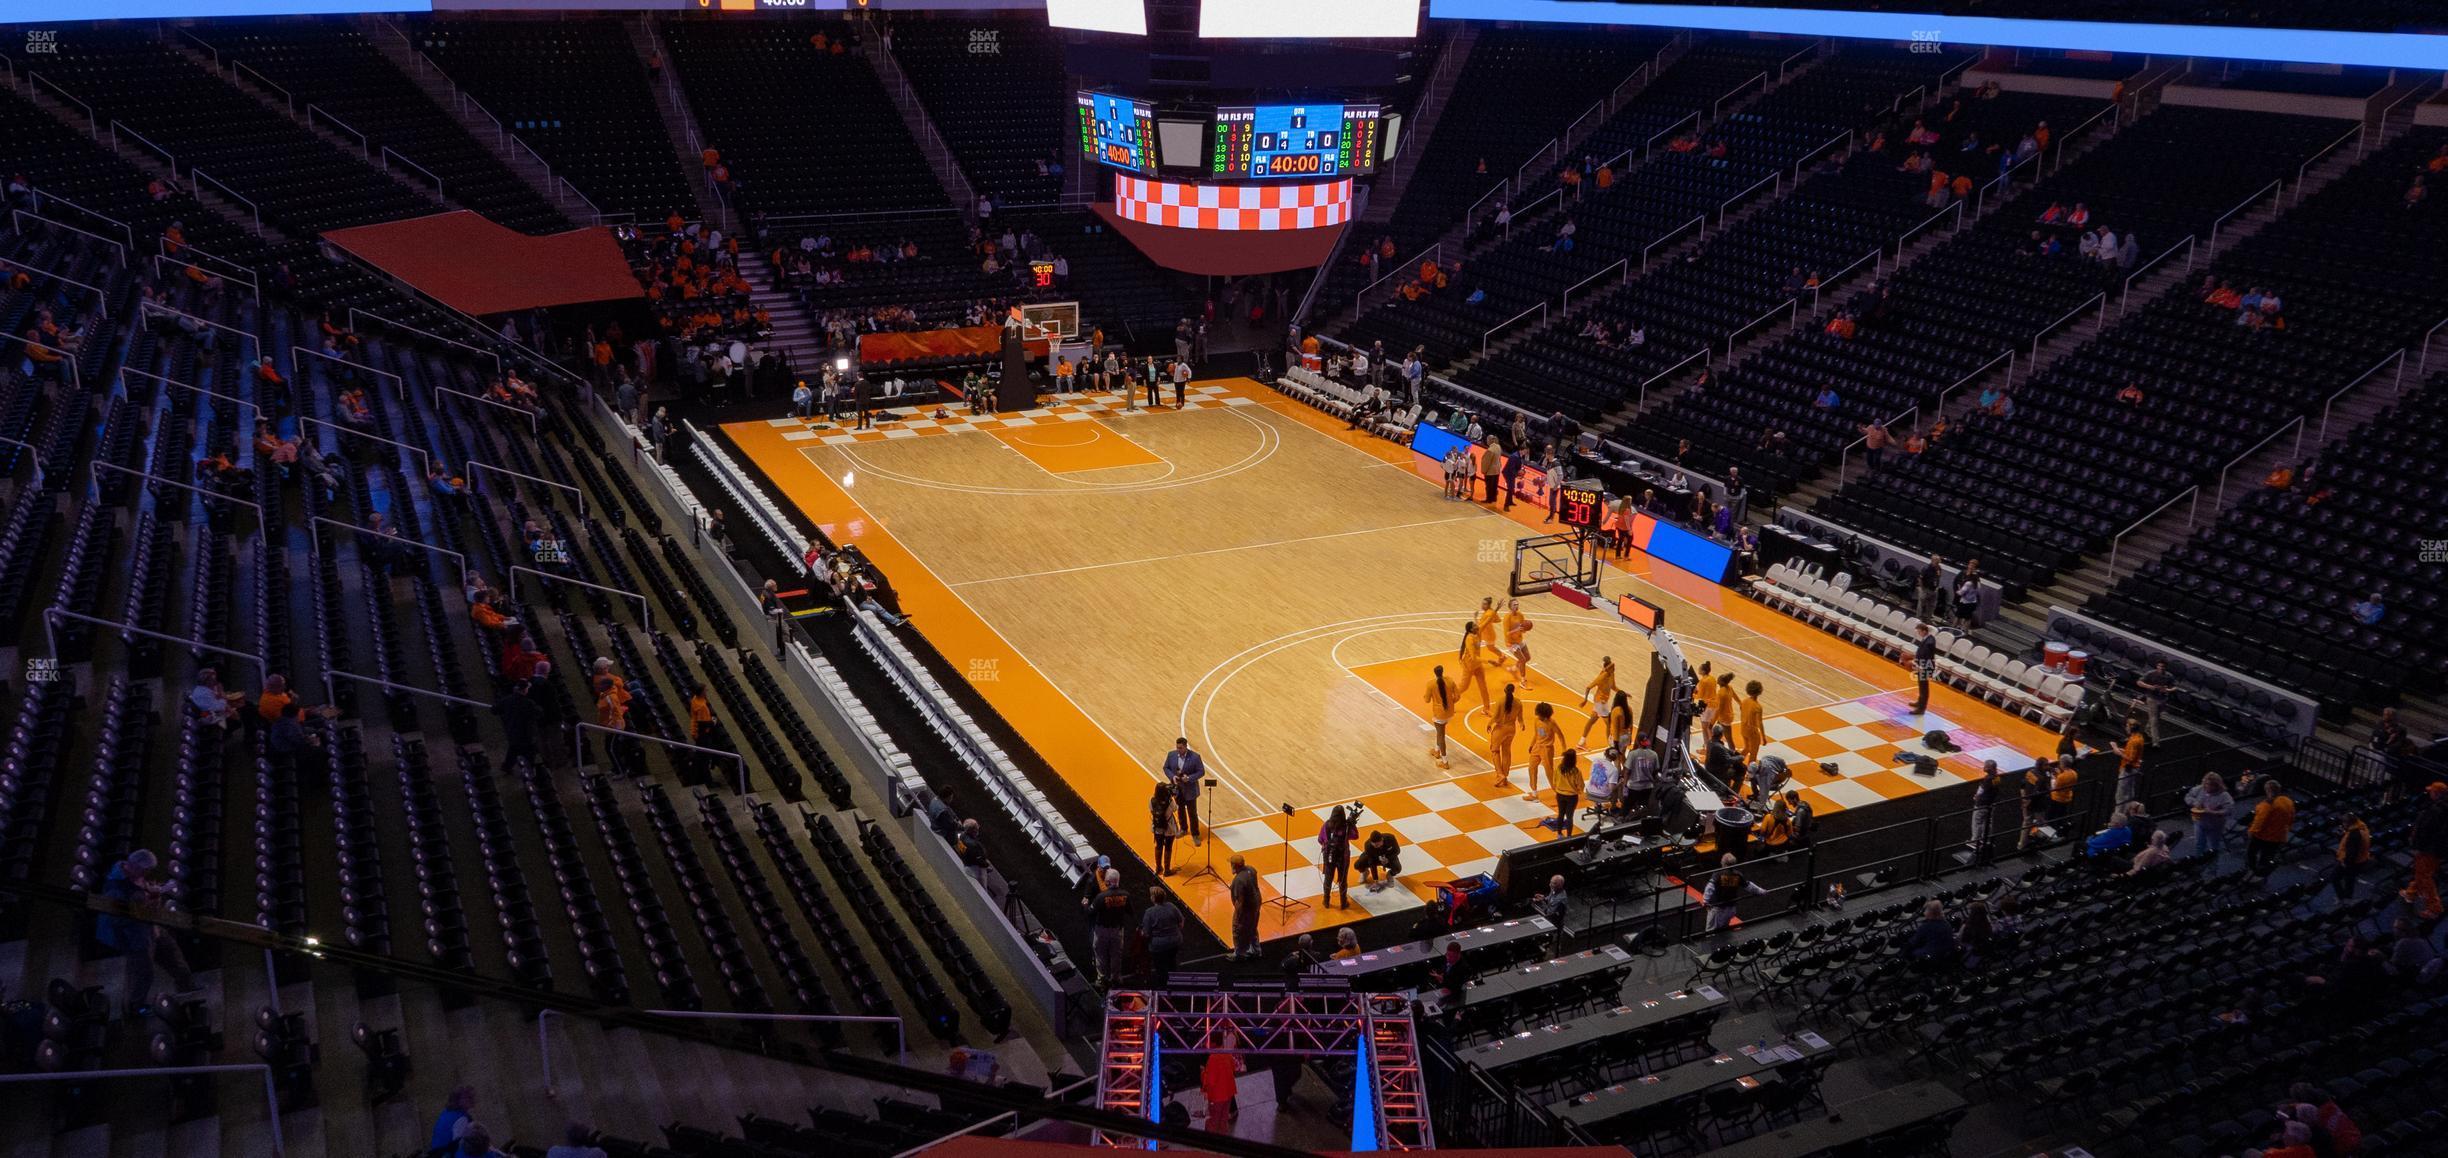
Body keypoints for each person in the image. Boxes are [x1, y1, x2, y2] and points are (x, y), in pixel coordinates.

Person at [99, 849, 194, 1019]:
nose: (147, 874)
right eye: (145, 870)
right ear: (134, 866)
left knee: (173, 955)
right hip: (136, 938)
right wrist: (145, 907)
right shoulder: (115, 888)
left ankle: (187, 989)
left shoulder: (136, 876)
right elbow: (116, 920)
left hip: (152, 928)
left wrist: (152, 896)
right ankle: (135, 1008)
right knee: (144, 974)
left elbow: (143, 899)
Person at [2401, 781, 2447, 919]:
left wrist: (2418, 847)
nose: (2429, 793)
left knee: (2425, 877)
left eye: (2431, 791)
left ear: (2436, 793)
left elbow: (2425, 830)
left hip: (2429, 849)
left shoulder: (2436, 810)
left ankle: (2434, 908)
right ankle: (2410, 892)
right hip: (2438, 848)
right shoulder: (2443, 808)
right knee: (2422, 872)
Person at [1088, 868, 1132, 988]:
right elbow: (1130, 911)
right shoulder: (1125, 895)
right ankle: (1116, 977)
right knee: (1116, 954)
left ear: (1107, 882)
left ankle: (1102, 978)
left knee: (1100, 954)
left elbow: (1090, 911)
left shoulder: (1101, 897)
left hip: (1102, 929)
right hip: (1117, 930)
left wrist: (1086, 905)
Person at [2246, 777, 2295, 878]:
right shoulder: (2287, 801)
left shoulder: (2266, 805)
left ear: (2267, 790)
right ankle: (2262, 876)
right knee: (2267, 857)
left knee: (2251, 853)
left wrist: (2251, 831)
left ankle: (2252, 872)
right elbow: (2291, 817)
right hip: (2278, 836)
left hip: (2262, 836)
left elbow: (2259, 822)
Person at [1702, 854, 1765, 932]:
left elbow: (1709, 888)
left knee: (1710, 931)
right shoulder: (1737, 874)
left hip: (1717, 908)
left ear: (1722, 862)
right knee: (1724, 928)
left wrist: (1705, 901)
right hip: (1730, 908)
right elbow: (1749, 886)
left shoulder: (1718, 874)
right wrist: (1761, 891)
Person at [2186, 771, 2236, 858]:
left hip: (2214, 826)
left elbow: (2229, 810)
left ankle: (2212, 868)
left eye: (2210, 785)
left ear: (2217, 785)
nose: (2207, 786)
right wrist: (2195, 803)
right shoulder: (2200, 789)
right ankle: (2199, 863)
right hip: (2199, 823)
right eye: (2206, 784)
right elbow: (2188, 796)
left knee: (2213, 848)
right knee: (2199, 845)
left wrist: (2213, 812)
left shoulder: (2224, 795)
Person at [1163, 738, 1204, 844]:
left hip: (1190, 790)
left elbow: (1201, 772)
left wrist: (1189, 778)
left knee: (1192, 813)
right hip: (1177, 789)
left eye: (1180, 748)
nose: (1178, 750)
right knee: (1180, 810)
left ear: (1186, 746)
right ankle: (1183, 829)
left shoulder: (1195, 757)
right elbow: (1166, 768)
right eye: (1177, 747)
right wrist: (1172, 777)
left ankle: (1195, 834)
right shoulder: (1171, 755)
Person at [1318, 805, 1356, 909]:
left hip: (1329, 856)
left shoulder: (1326, 825)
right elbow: (1355, 836)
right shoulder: (1346, 827)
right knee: (1343, 880)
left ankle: (1326, 901)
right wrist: (1352, 824)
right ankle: (1343, 903)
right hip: (1343, 857)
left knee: (1328, 878)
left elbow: (1320, 839)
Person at [1903, 900, 1957, 969]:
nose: (1924, 912)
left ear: (1930, 913)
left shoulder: (1926, 926)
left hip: (1933, 954)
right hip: (1948, 951)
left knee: (1907, 949)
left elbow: (1914, 941)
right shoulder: (1946, 923)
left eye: (1926, 910)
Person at [2329, 812, 2372, 902]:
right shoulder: (2362, 827)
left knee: (2334, 878)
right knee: (2349, 880)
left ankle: (2341, 898)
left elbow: (2352, 852)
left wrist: (2345, 863)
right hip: (2361, 860)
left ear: (2347, 823)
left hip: (2351, 862)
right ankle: (2347, 898)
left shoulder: (2354, 835)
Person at [1227, 854, 1260, 960]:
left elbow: (1240, 901)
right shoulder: (1251, 870)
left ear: (1234, 866)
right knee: (1252, 928)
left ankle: (1239, 954)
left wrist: (1238, 916)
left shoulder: (1238, 880)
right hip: (1256, 904)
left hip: (1246, 909)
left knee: (1238, 930)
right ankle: (1256, 950)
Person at [2134, 661, 2175, 742]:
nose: (2160, 668)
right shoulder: (2150, 673)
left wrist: (2167, 690)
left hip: (2162, 699)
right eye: (2159, 666)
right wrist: (2149, 686)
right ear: (2157, 666)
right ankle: (2155, 741)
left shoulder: (2169, 676)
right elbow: (2139, 682)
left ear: (2165, 667)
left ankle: (2147, 731)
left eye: (2163, 666)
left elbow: (2174, 687)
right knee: (2154, 718)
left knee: (2156, 717)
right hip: (2151, 697)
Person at [1546, 749, 1584, 834]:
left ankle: (1559, 834)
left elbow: (1554, 781)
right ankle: (1569, 836)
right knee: (1569, 817)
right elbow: (1580, 785)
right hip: (1572, 797)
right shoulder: (1576, 771)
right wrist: (1578, 791)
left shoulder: (1559, 768)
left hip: (1560, 794)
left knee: (1560, 814)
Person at [1970, 762, 2001, 864]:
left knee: (1977, 821)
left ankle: (1975, 840)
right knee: (1987, 821)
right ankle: (1986, 839)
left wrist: (1976, 797)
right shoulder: (1997, 778)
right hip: (1991, 803)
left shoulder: (1988, 779)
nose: (1984, 767)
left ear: (1991, 768)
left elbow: (1981, 790)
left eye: (1986, 766)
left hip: (1982, 804)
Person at [432, 1086, 478, 1153]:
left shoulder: (446, 1112)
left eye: (472, 1096)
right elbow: (459, 1145)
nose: (473, 1099)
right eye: (468, 1097)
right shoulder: (461, 1118)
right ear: (458, 1100)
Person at [1150, 781, 1179, 876]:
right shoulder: (1170, 801)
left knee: (1158, 846)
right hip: (1169, 827)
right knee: (1168, 847)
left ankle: (1158, 867)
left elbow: (1151, 810)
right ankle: (1167, 870)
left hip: (1157, 827)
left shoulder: (1152, 800)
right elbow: (1175, 809)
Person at [2116, 718, 2146, 808]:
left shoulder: (2133, 741)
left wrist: (2118, 752)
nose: (2126, 728)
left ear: (2131, 728)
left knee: (2121, 793)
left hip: (2128, 768)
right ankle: (2129, 808)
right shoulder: (2139, 737)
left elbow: (2130, 759)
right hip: (2135, 768)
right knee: (2130, 790)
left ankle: (2120, 811)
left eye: (2127, 726)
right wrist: (2125, 751)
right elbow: (2134, 753)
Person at [1910, 623, 1938, 714]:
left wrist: (1921, 667)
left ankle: (1921, 709)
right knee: (1921, 686)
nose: (1918, 633)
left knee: (1924, 688)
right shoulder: (1928, 638)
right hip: (1922, 665)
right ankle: (1919, 702)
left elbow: (1927, 657)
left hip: (1925, 667)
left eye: (1919, 631)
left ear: (1924, 631)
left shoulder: (1929, 642)